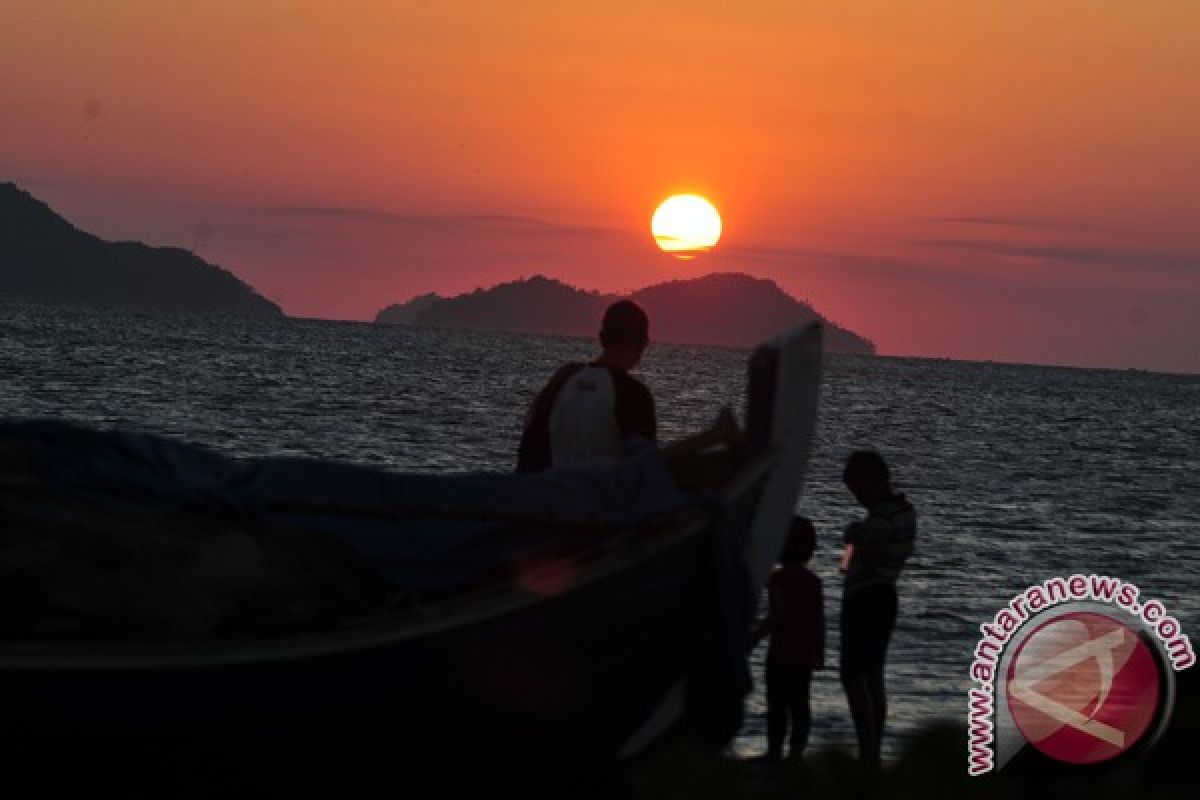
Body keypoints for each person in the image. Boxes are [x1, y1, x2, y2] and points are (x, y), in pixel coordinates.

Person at [838, 450, 916, 767]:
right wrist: (853, 544)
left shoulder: (883, 517)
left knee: (853, 673)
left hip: (867, 598)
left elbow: (871, 556)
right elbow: (847, 566)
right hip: (881, 596)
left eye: (859, 490)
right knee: (872, 674)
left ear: (872, 482)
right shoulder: (903, 511)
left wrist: (855, 537)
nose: (858, 498)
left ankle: (867, 751)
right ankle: (872, 749)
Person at [516, 300, 655, 472]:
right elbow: (644, 469)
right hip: (601, 496)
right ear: (643, 342)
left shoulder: (563, 379)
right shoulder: (635, 395)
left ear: (602, 337)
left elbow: (530, 447)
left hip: (553, 492)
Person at [749, 517, 824, 762]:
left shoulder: (777, 580)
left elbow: (776, 616)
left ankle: (774, 752)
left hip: (780, 655)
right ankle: (796, 754)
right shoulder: (814, 583)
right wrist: (819, 653)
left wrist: (755, 637)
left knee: (777, 707)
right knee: (801, 706)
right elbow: (818, 621)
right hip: (804, 655)